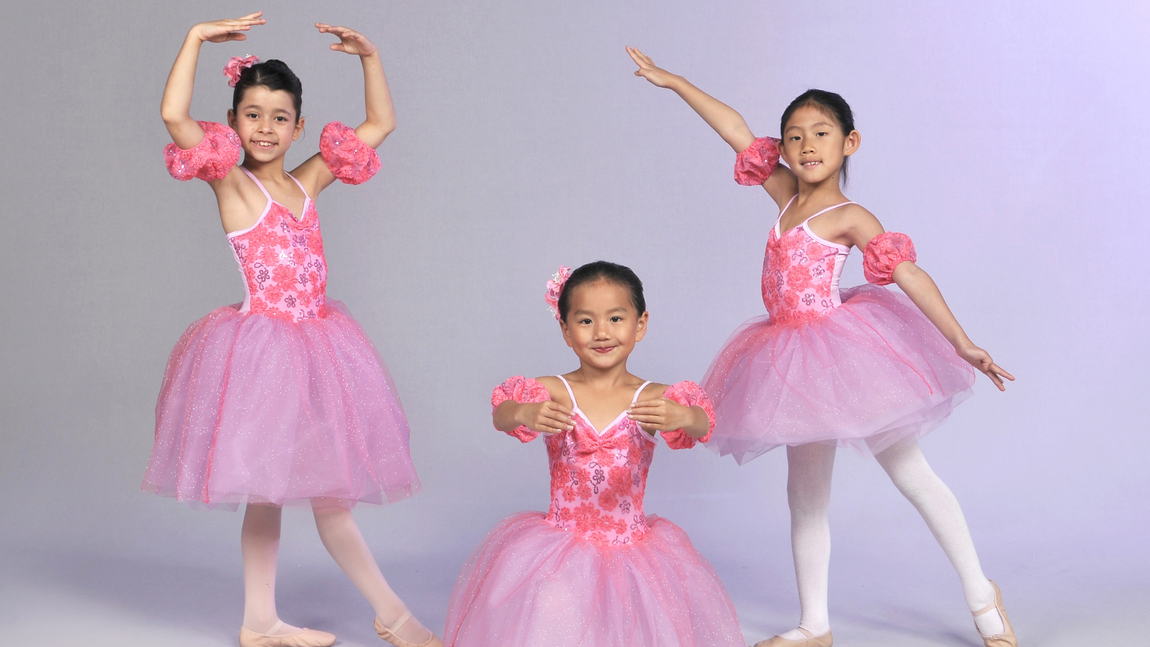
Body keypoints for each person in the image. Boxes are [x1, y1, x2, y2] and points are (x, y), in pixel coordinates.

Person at [627, 47, 1018, 647]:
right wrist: (677, 83)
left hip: (844, 357)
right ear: (781, 151)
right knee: (804, 495)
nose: (807, 144)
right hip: (787, 363)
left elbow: (908, 274)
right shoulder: (783, 193)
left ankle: (982, 598)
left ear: (849, 143)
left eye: (821, 133)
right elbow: (734, 129)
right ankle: (816, 624)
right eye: (794, 136)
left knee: (912, 475)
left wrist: (962, 342)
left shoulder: (849, 215)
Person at [142, 13, 440, 647]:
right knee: (278, 495)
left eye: (280, 117)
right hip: (264, 354)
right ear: (232, 123)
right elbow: (173, 116)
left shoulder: (308, 183)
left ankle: (267, 621)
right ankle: (380, 617)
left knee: (308, 495)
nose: (266, 128)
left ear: (299, 126)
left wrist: (369, 56)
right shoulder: (231, 182)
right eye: (252, 114)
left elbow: (380, 125)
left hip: (320, 350)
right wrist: (194, 37)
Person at [443, 261, 746, 647]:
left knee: (626, 624)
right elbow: (502, 413)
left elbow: (704, 425)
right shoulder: (555, 389)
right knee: (555, 616)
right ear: (565, 330)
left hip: (629, 544)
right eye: (585, 321)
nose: (602, 333)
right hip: (561, 540)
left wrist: (684, 415)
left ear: (640, 324)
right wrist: (524, 412)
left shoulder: (654, 397)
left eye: (616, 318)